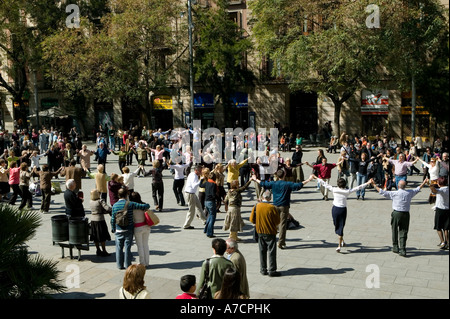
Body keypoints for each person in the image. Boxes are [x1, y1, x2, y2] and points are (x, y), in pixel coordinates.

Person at [253, 171, 314, 249]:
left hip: (275, 206)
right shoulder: (287, 184)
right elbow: (299, 185)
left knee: (273, 223)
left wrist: (255, 179)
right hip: (284, 206)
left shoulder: (273, 183)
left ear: (277, 176)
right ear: (284, 175)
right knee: (282, 225)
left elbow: (263, 184)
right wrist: (308, 179)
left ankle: (272, 240)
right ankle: (281, 242)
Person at [370, 177, 429, 257]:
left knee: (394, 230)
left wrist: (373, 184)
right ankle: (403, 249)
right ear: (405, 186)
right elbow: (418, 189)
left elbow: (382, 192)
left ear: (398, 186)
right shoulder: (409, 192)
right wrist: (424, 182)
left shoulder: (394, 193)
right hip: (405, 214)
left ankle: (395, 247)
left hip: (396, 213)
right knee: (404, 231)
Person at [315, 177, 372, 252]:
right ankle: (342, 241)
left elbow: (325, 184)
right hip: (342, 210)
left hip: (335, 209)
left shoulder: (334, 189)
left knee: (337, 225)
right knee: (340, 225)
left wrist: (316, 177)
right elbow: (358, 187)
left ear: (338, 184)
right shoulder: (347, 191)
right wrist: (367, 183)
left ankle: (339, 245)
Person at [111, 188, 150, 270]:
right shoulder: (130, 204)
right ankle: (127, 265)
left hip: (118, 229)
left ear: (118, 195)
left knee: (118, 248)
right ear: (126, 195)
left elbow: (113, 219)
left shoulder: (114, 205)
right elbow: (145, 206)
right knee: (127, 247)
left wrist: (113, 228)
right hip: (128, 229)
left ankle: (119, 265)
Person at [249, 190, 281, 276]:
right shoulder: (272, 208)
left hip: (260, 231)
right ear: (270, 198)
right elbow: (277, 221)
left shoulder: (256, 206)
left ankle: (263, 269)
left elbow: (252, 219)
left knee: (262, 251)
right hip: (270, 232)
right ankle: (272, 270)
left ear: (262, 197)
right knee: (271, 251)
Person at [129, 191, 151, 267]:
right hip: (147, 226)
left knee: (140, 246)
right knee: (145, 245)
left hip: (138, 227)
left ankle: (142, 262)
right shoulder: (144, 205)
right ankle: (147, 262)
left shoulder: (132, 207)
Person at [183, 165, 207, 229]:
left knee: (199, 206)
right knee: (191, 210)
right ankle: (186, 224)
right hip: (190, 194)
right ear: (196, 171)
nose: (201, 173)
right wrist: (201, 180)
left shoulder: (192, 174)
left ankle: (205, 220)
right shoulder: (194, 176)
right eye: (200, 171)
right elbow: (194, 185)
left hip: (192, 193)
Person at [89, 189, 112, 257]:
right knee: (102, 236)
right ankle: (104, 250)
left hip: (93, 220)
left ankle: (98, 250)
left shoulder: (90, 201)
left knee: (95, 236)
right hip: (100, 219)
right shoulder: (100, 201)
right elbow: (107, 208)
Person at [429, 177, 449, 250]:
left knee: (438, 227)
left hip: (440, 210)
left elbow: (434, 191)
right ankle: (447, 242)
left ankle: (442, 241)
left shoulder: (441, 190)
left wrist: (430, 185)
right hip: (448, 210)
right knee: (446, 228)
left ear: (440, 183)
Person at [201, 172, 220, 238]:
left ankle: (206, 229)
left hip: (206, 201)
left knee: (209, 215)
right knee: (212, 217)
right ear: (214, 178)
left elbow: (200, 185)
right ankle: (209, 233)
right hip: (211, 202)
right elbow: (213, 194)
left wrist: (202, 179)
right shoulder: (214, 184)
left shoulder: (206, 183)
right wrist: (218, 199)